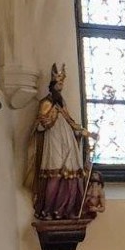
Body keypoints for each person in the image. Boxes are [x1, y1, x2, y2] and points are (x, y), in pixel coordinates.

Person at [25, 64, 96, 220]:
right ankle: (48, 210)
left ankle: (65, 210)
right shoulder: (46, 102)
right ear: (52, 85)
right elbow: (41, 124)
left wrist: (86, 133)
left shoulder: (62, 102)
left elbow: (70, 121)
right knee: (54, 174)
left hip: (67, 140)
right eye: (58, 83)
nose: (61, 86)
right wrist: (49, 116)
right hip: (54, 141)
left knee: (70, 175)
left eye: (62, 83)